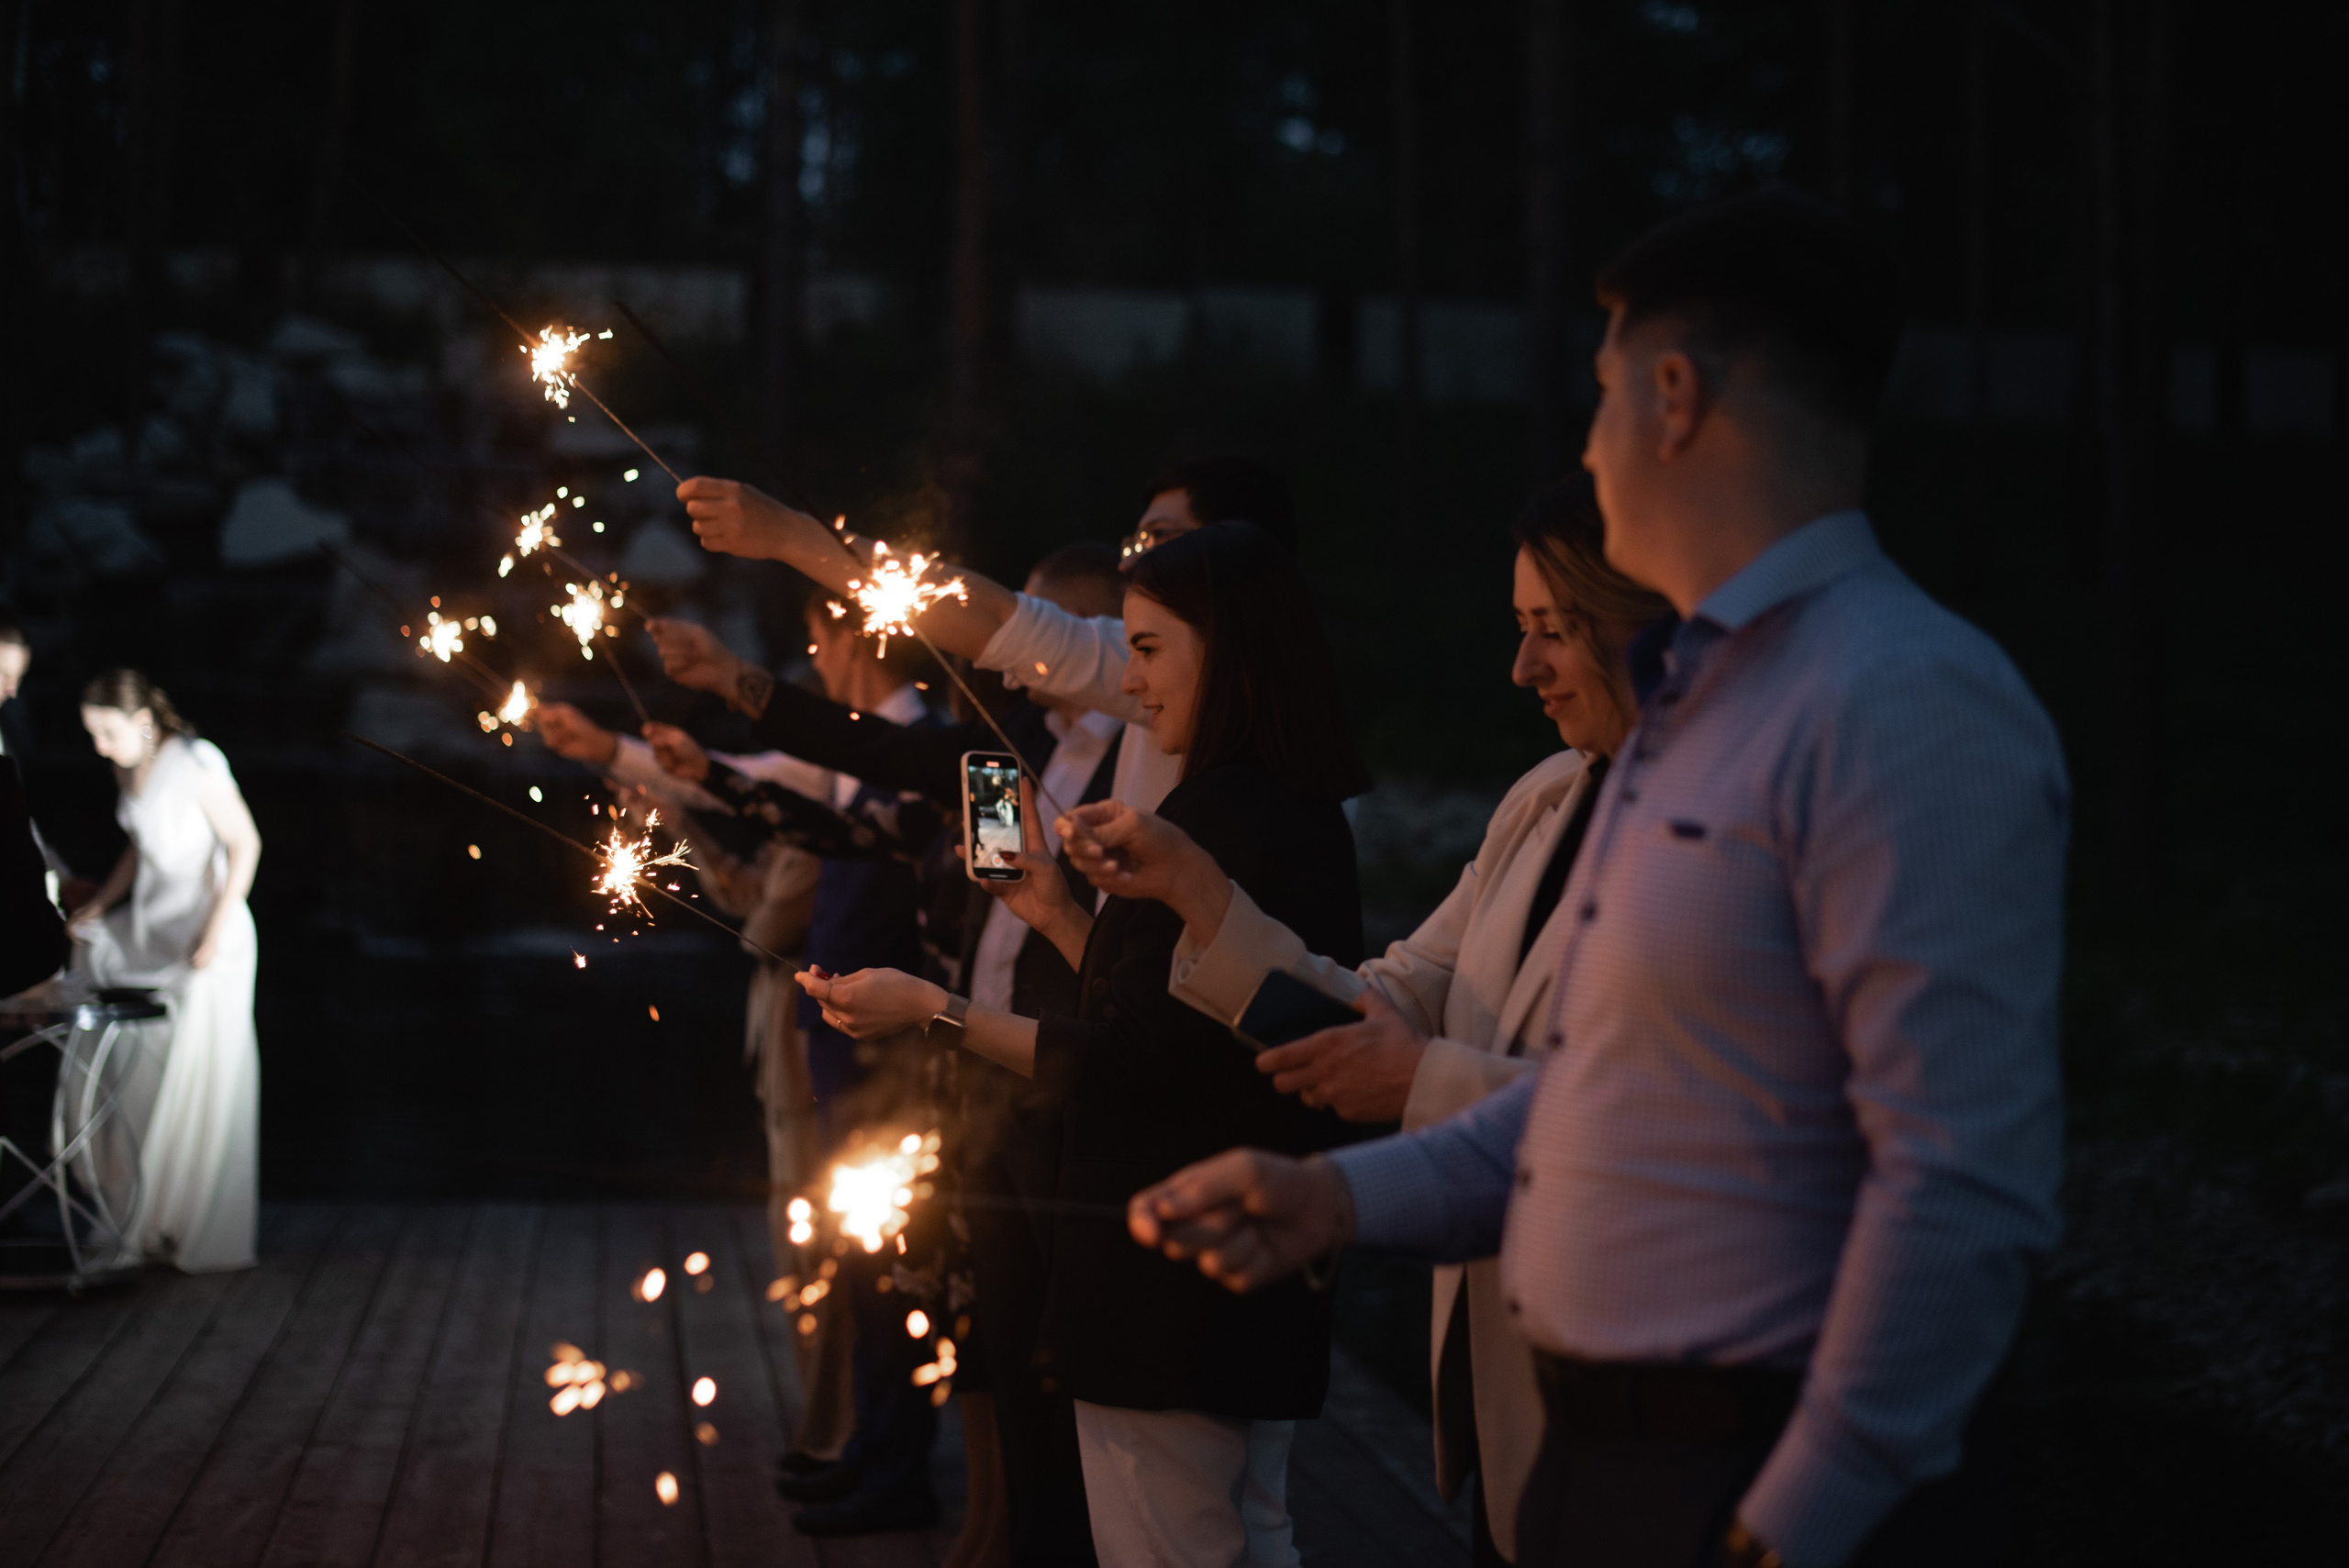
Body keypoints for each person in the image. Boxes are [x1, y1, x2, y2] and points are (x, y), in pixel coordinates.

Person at [1120, 186, 2070, 1568]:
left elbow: (1960, 1182)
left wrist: (1792, 1513)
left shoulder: (1908, 703)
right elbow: (1616, 1108)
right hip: (1589, 1467)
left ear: (1674, 396)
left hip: (1747, 1480)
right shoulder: (1689, 715)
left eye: (1601, 394)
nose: (1591, 442)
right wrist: (1338, 1199)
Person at [1054, 474, 1667, 1563]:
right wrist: (1200, 893)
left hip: (1643, 1369)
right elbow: (1386, 993)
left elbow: (1663, 1128)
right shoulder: (1545, 797)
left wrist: (1409, 1095)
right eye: (1519, 629)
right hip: (1501, 1360)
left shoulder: (1707, 846)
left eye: (1552, 631)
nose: (1520, 666)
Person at [799, 523, 1367, 1567]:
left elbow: (1132, 1061)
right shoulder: (1256, 804)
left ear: (1227, 648)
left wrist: (932, 1007)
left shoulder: (1240, 818)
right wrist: (1058, 910)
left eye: (1147, 651)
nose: (1132, 686)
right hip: (1198, 1267)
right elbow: (1170, 1020)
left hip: (1174, 1282)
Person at [647, 541, 1127, 1567]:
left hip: (1034, 1074)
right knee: (984, 1328)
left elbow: (871, 821)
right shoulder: (1003, 749)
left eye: (1029, 634)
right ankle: (989, 1525)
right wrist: (720, 726)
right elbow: (877, 829)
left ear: (1088, 644)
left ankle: (973, 1507)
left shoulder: (1132, 765)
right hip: (965, 1066)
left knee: (1030, 1345)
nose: (1002, 660)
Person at [677, 454, 1296, 817]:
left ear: (1236, 549)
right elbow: (891, 755)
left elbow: (997, 620)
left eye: (1158, 538)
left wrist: (789, 536)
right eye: (1133, 544)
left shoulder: (1262, 719)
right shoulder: (1036, 729)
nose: (1129, 564)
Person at [70, 671, 263, 1274]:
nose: (100, 745)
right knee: (133, 1060)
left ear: (144, 722)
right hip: (152, 927)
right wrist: (102, 902)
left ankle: (188, 1215)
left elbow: (246, 843)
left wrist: (214, 926)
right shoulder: (127, 766)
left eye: (107, 731)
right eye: (92, 734)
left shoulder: (196, 760)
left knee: (194, 1073)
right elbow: (138, 843)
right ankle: (141, 1210)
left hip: (207, 933)